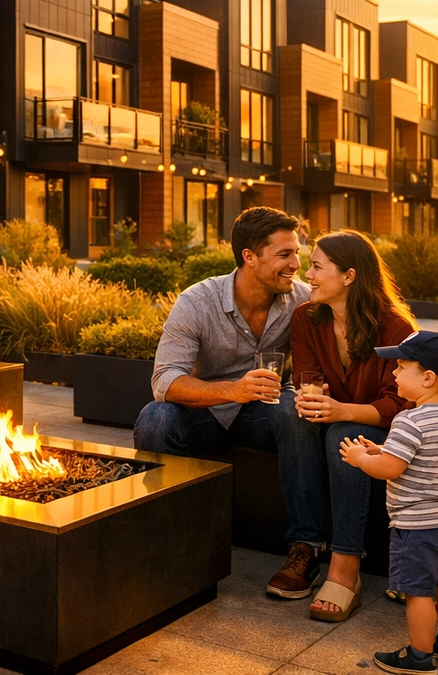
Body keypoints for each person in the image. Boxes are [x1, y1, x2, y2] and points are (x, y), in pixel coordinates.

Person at [133, 206, 321, 598]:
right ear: (249, 257)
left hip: (264, 411)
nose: (296, 264)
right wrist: (232, 390)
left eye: (297, 252)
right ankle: (163, 540)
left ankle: (306, 547)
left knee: (296, 411)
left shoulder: (303, 300)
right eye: (284, 255)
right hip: (205, 412)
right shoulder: (197, 301)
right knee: (155, 419)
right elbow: (164, 381)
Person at [291, 230, 418, 622]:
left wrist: (343, 410)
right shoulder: (307, 318)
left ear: (348, 276)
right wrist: (308, 398)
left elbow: (402, 403)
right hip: (336, 420)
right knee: (293, 418)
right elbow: (305, 378)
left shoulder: (395, 328)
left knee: (343, 434)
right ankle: (303, 546)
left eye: (316, 267)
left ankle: (346, 568)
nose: (306, 274)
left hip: (388, 429)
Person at [340, 331, 438, 674]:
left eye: (400, 367)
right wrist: (381, 448)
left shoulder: (408, 420)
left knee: (418, 593)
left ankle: (419, 656)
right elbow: (426, 456)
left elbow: (390, 469)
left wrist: (360, 459)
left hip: (419, 527)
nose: (394, 374)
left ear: (428, 378)